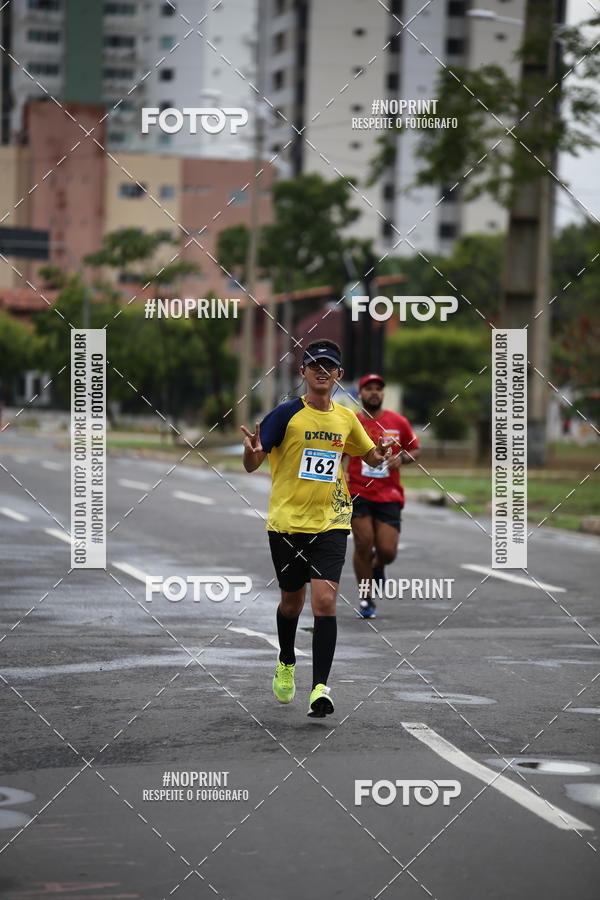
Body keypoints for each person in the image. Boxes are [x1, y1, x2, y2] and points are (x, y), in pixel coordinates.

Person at [241, 340, 392, 717]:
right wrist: (250, 449)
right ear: (303, 372)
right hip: (287, 525)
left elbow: (368, 453)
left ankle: (320, 688)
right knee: (292, 603)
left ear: (339, 375)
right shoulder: (286, 414)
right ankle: (287, 659)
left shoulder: (345, 417)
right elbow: (252, 463)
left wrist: (382, 453)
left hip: (332, 522)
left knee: (324, 602)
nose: (322, 371)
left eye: (329, 366)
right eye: (314, 365)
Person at [346, 373, 420, 619]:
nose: (374, 392)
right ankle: (366, 599)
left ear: (383, 394)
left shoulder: (398, 422)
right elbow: (339, 451)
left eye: (378, 389)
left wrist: (403, 458)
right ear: (360, 394)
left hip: (389, 494)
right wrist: (341, 475)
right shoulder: (352, 422)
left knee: (388, 551)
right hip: (359, 491)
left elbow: (415, 448)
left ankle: (378, 566)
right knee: (363, 543)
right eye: (369, 389)